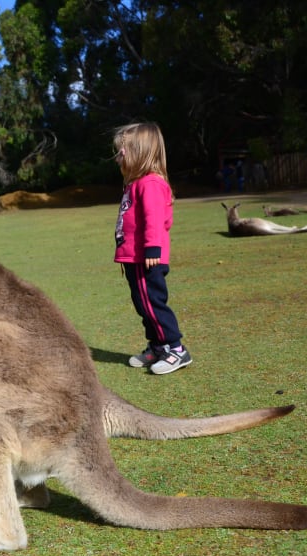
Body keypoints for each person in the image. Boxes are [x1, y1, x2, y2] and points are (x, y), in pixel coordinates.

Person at [112, 122, 192, 374]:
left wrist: (152, 249)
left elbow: (155, 220)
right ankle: (158, 346)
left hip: (146, 259)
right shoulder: (135, 184)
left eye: (122, 151)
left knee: (153, 304)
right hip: (134, 258)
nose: (118, 156)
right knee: (142, 305)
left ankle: (176, 349)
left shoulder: (151, 184)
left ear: (141, 152)